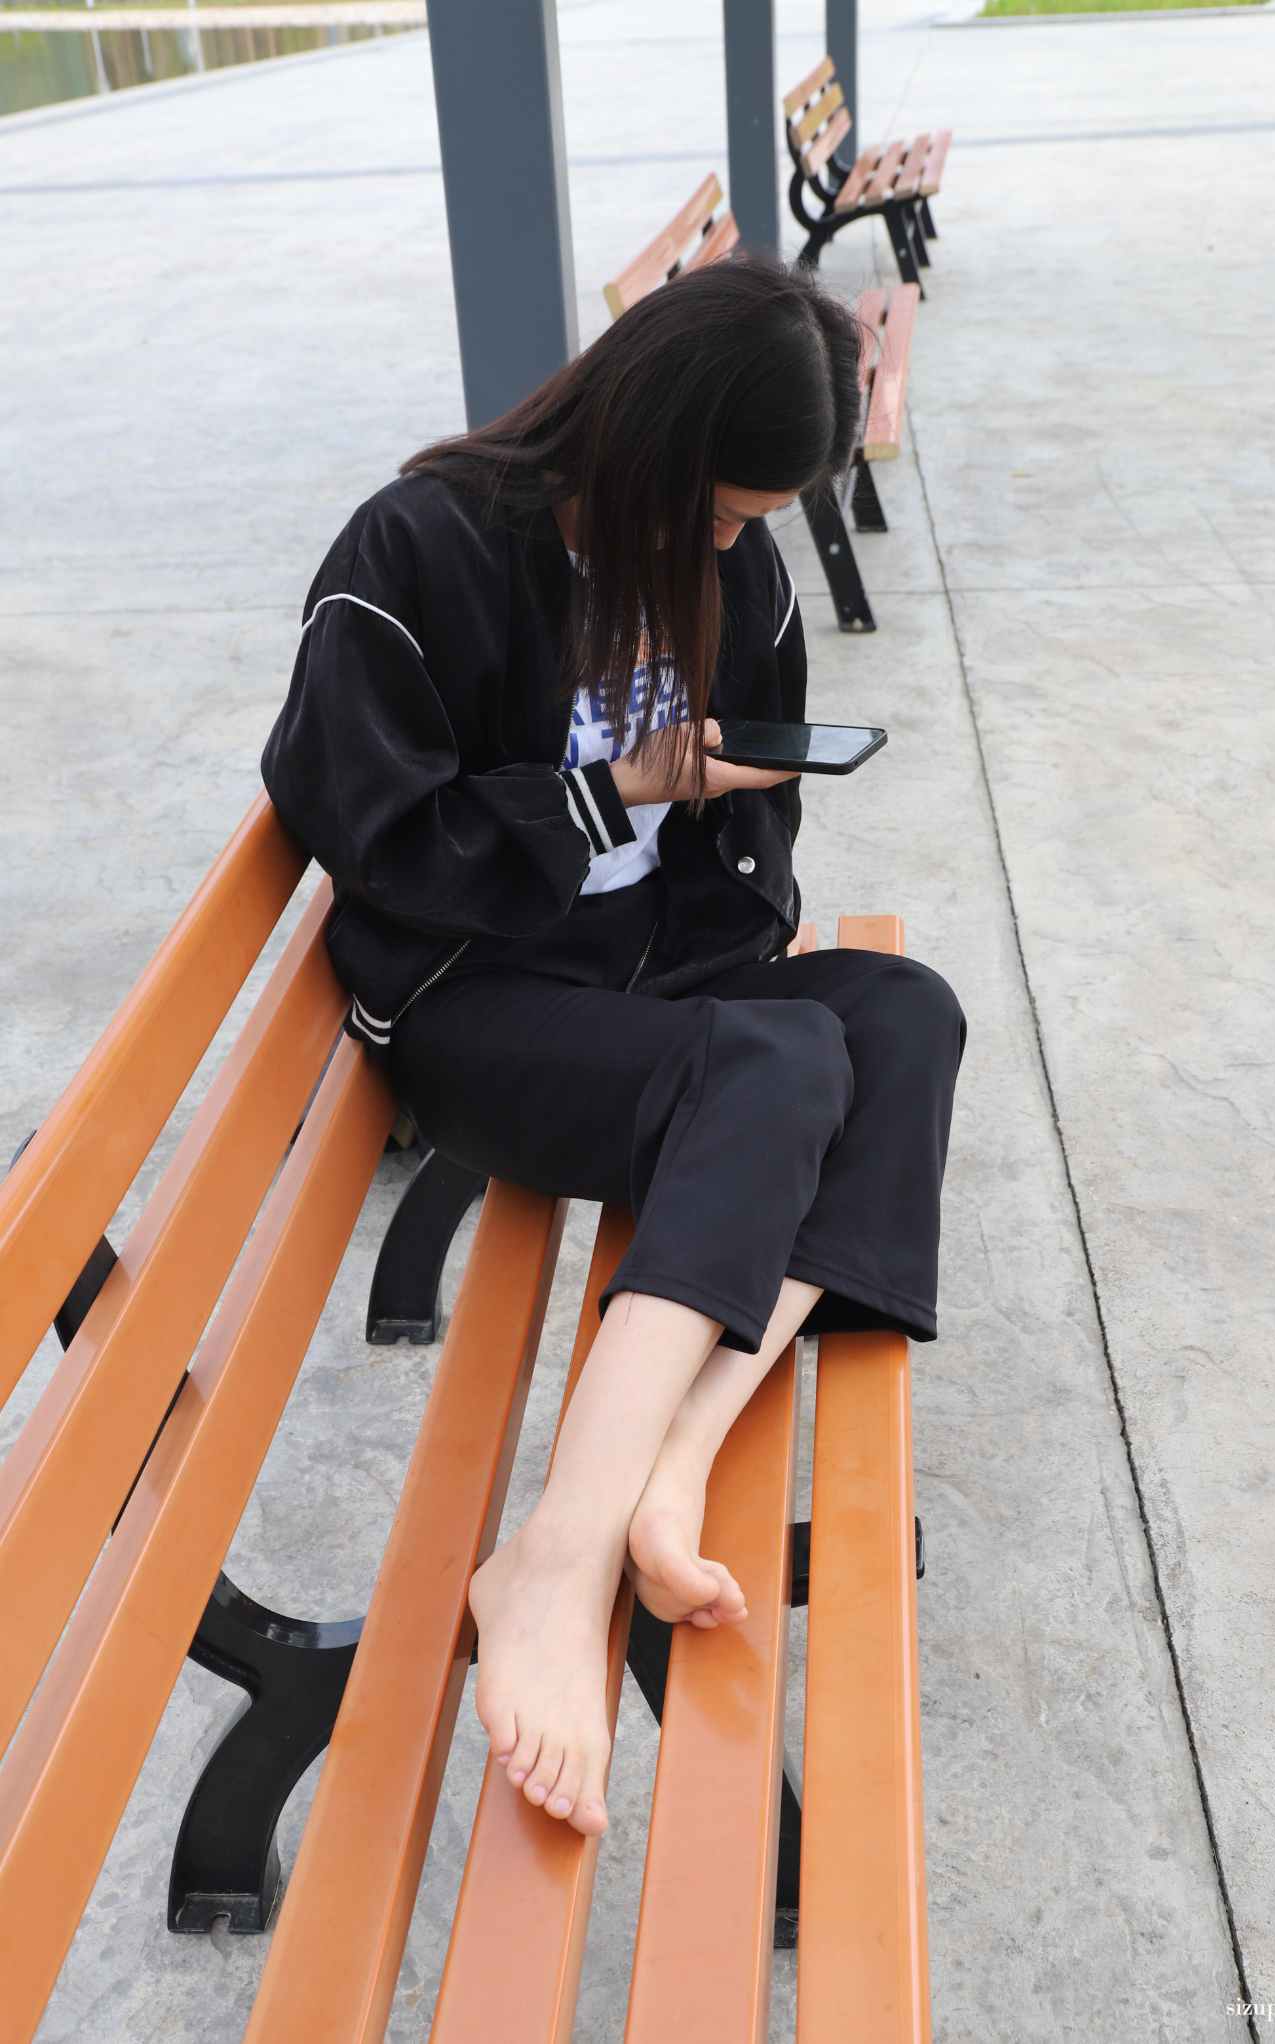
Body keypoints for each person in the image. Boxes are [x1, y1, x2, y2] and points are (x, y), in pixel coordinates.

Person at [259, 252, 967, 1843]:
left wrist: (725, 811)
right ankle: (555, 1564)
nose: (730, 546)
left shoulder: (735, 568)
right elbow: (371, 831)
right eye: (717, 512)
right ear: (646, 443)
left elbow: (753, 833)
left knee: (900, 1014)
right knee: (778, 1066)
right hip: (481, 1005)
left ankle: (676, 1456)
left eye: (753, 521)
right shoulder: (419, 550)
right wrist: (616, 791)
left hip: (656, 986)